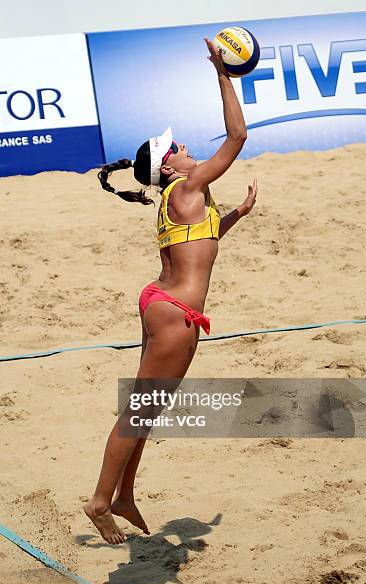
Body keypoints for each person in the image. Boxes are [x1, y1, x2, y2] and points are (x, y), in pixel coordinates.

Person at [84, 38, 258, 544]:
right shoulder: (186, 188)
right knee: (139, 411)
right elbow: (238, 134)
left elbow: (195, 248)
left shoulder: (176, 202)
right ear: (168, 168)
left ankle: (125, 494)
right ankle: (99, 500)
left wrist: (234, 217)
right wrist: (222, 73)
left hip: (164, 302)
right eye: (178, 150)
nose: (186, 149)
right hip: (175, 312)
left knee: (149, 410)